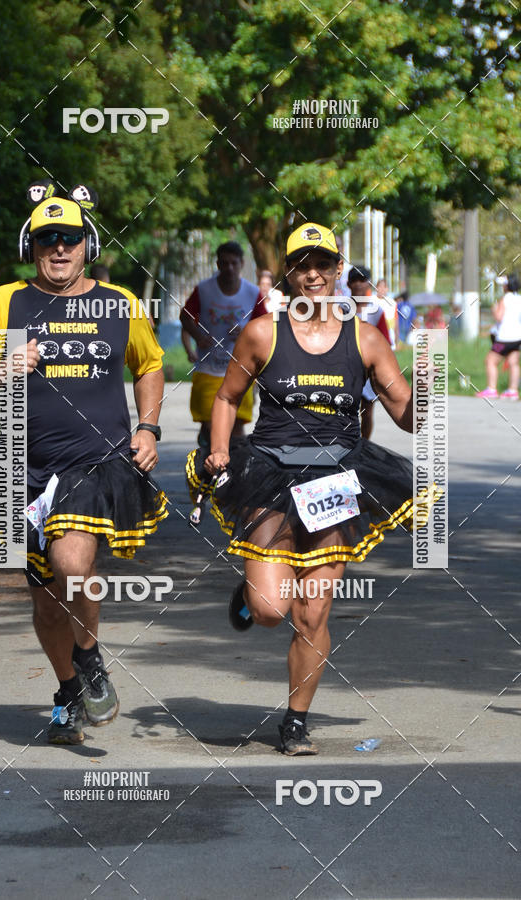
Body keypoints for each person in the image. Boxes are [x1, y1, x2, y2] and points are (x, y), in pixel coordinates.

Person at [186, 222, 427, 756]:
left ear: (339, 269)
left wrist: (427, 390)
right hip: (269, 473)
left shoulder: (366, 339)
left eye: (323, 264)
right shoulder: (262, 333)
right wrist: (219, 447)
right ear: (288, 273)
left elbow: (408, 415)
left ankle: (295, 722)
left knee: (312, 612)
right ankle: (253, 594)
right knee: (271, 609)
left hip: (336, 480)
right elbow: (226, 398)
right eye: (302, 265)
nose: (313, 274)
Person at [0, 182, 167, 745]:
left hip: (94, 464)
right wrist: (4, 366)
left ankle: (90, 658)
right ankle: (68, 691)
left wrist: (148, 427)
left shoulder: (119, 303)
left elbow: (149, 365)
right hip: (20, 468)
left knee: (72, 564)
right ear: (32, 246)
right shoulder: (6, 302)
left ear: (87, 244)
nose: (59, 248)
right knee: (47, 602)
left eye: (69, 238)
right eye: (47, 238)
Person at [180, 241, 266, 447]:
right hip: (208, 368)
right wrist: (198, 336)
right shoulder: (204, 289)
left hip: (240, 369)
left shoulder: (252, 292)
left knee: (237, 426)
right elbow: (185, 316)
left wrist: (246, 332)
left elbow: (266, 324)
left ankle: (236, 463)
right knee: (211, 425)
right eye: (224, 263)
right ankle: (209, 457)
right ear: (217, 264)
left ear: (241, 264)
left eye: (234, 263)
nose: (229, 268)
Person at [347, 264, 390, 440]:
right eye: (354, 280)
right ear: (348, 284)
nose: (358, 284)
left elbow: (385, 342)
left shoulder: (376, 311)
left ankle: (364, 444)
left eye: (362, 279)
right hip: (345, 367)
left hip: (368, 368)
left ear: (369, 284)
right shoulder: (339, 309)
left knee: (367, 410)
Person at [476, 273, 521, 400]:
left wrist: (494, 309)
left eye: (503, 285)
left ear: (507, 285)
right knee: (513, 362)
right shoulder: (519, 298)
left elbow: (499, 317)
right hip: (517, 337)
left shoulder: (504, 299)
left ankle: (491, 389)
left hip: (504, 338)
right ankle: (512, 391)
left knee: (490, 361)